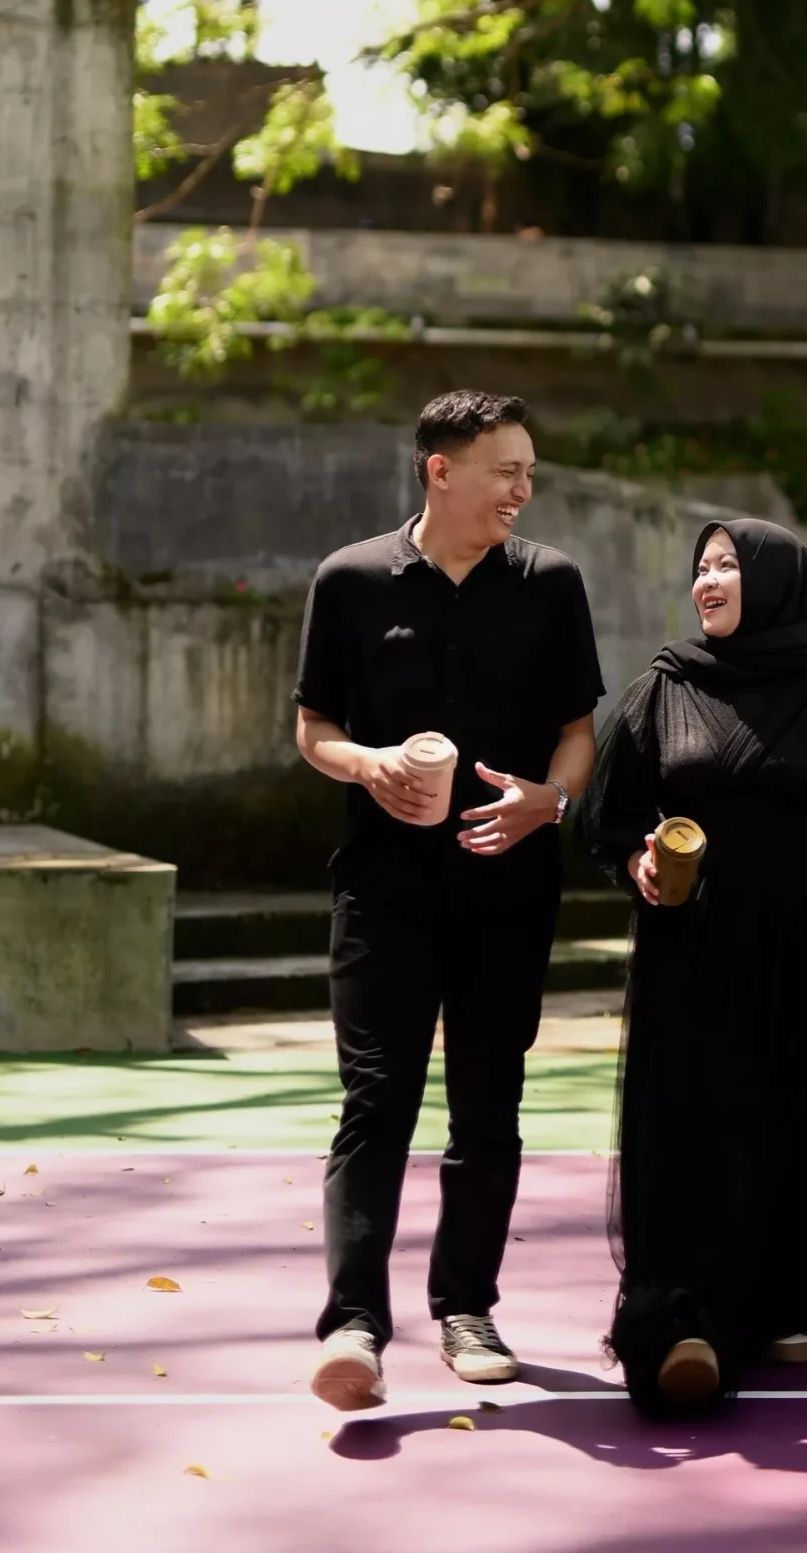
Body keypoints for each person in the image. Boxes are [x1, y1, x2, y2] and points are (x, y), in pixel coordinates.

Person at [293, 390, 604, 1414]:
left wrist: (550, 803)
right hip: (382, 890)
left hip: (509, 891)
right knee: (374, 1102)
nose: (523, 489)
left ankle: (466, 1309)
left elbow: (577, 733)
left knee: (488, 1104)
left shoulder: (552, 583)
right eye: (506, 470)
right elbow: (313, 728)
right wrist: (370, 763)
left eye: (529, 472)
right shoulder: (347, 578)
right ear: (441, 468)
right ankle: (353, 1325)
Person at [581, 517, 807, 1417]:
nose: (706, 581)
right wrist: (639, 862)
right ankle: (681, 1320)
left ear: (774, 582)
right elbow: (609, 816)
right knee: (686, 1132)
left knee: (805, 1124)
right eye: (699, 567)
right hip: (691, 960)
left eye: (726, 566)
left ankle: (796, 1303)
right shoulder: (665, 684)